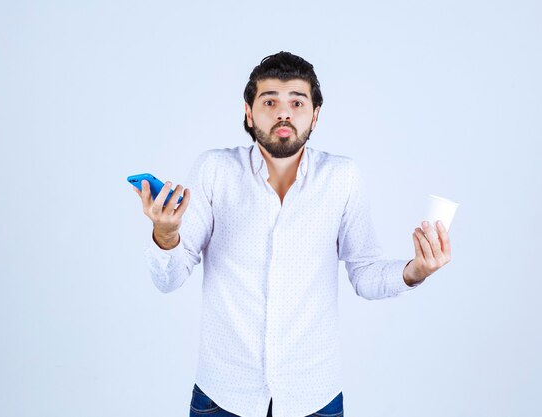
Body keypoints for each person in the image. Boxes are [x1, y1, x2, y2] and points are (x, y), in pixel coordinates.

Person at [132, 51, 452, 417]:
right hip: (222, 396)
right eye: (269, 101)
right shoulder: (215, 170)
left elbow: (364, 273)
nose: (284, 113)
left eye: (297, 102)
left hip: (313, 396)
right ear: (249, 113)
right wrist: (166, 233)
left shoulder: (341, 177)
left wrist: (415, 271)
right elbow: (168, 278)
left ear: (315, 115)